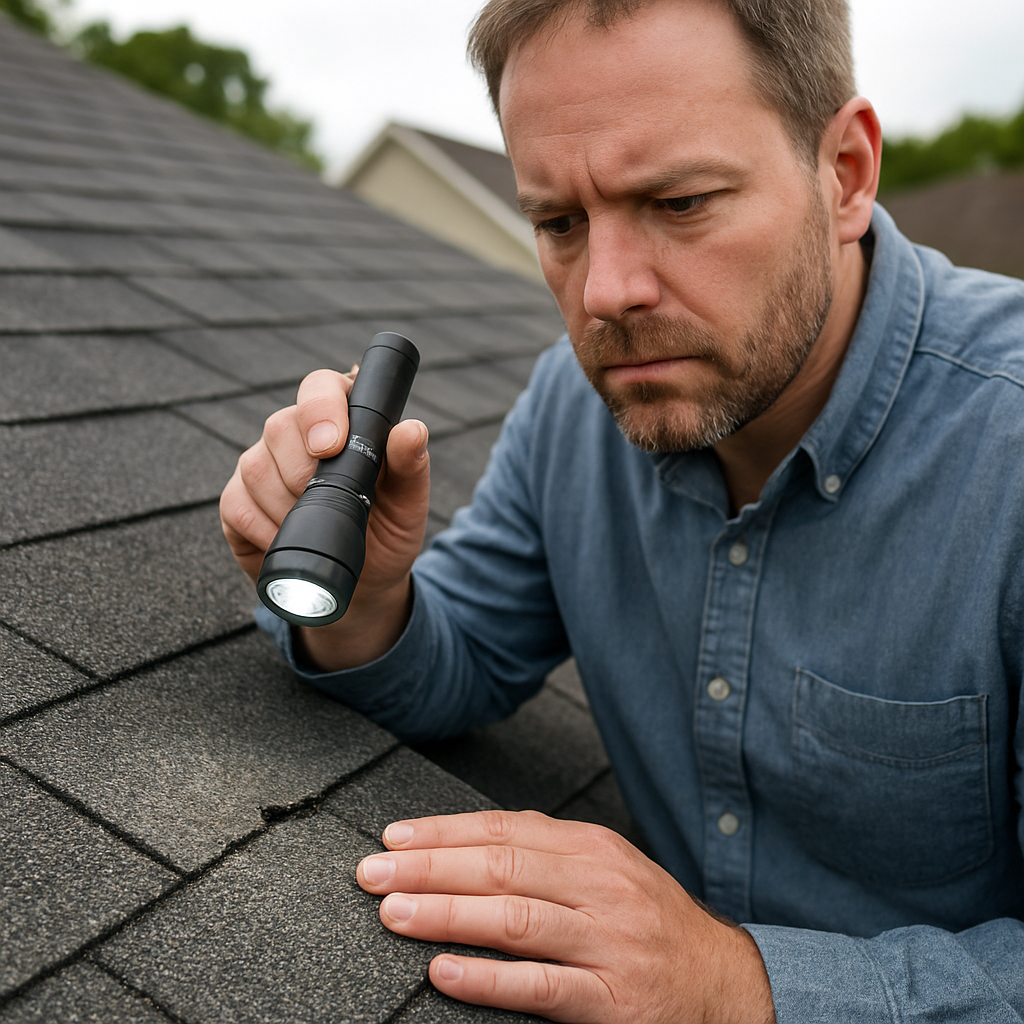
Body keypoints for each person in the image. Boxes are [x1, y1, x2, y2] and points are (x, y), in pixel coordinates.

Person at [219, 0, 1024, 1020]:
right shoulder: (575, 402)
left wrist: (733, 985)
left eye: (680, 201)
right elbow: (462, 663)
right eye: (557, 222)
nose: (604, 293)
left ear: (845, 173)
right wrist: (370, 606)